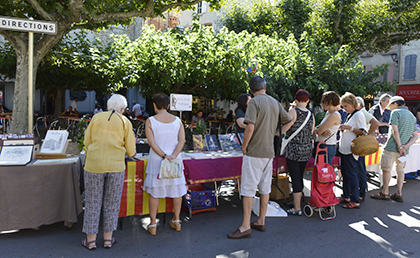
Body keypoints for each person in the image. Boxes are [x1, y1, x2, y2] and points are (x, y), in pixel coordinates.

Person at [227, 76, 292, 239]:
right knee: (265, 188)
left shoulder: (254, 102)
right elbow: (289, 120)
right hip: (269, 152)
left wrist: (244, 146)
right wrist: (276, 133)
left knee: (248, 189)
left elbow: (250, 127)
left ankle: (245, 226)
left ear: (250, 90)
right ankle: (261, 220)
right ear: (265, 86)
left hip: (254, 151)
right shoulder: (275, 102)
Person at [82, 94, 136, 250]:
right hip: (116, 166)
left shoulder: (96, 118)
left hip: (93, 165)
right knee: (112, 203)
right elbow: (131, 151)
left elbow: (86, 142)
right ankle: (107, 239)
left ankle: (90, 241)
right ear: (122, 109)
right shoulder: (125, 121)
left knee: (92, 202)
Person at [144, 93, 187, 235]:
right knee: (177, 191)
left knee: (155, 193)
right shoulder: (178, 121)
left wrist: (164, 156)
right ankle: (177, 221)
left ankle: (152, 224)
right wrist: (173, 155)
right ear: (168, 106)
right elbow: (182, 140)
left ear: (154, 106)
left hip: (158, 160)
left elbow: (151, 142)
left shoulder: (150, 121)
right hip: (175, 160)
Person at [371, 96, 418, 203]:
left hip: (392, 147)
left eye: (390, 105)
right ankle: (399, 193)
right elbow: (415, 135)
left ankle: (385, 192)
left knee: (386, 169)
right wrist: (405, 147)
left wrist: (399, 145)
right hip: (405, 151)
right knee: (400, 171)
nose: (389, 108)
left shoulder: (395, 113)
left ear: (395, 104)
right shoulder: (412, 115)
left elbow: (395, 131)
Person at [285, 90, 315, 216]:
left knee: (295, 177)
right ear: (307, 101)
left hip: (293, 150)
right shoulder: (311, 115)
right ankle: (296, 201)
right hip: (306, 150)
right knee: (300, 176)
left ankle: (297, 208)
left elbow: (284, 128)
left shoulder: (293, 112)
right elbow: (312, 132)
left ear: (295, 100)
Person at [337, 92, 367, 209]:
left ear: (352, 104)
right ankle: (346, 195)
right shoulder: (351, 114)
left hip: (351, 150)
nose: (344, 108)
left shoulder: (358, 115)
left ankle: (355, 199)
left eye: (345, 106)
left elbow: (363, 132)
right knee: (345, 173)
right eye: (343, 106)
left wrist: (349, 128)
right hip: (345, 149)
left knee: (351, 174)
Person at [355, 96, 380, 202]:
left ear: (359, 104)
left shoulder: (363, 113)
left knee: (360, 169)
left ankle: (361, 193)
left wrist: (367, 134)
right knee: (359, 169)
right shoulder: (360, 112)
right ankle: (360, 191)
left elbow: (376, 123)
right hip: (359, 144)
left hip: (361, 144)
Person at [314, 91, 342, 165]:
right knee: (321, 171)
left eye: (323, 102)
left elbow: (319, 130)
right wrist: (320, 130)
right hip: (324, 144)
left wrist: (319, 130)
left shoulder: (334, 115)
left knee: (324, 172)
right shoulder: (329, 113)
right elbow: (318, 128)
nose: (322, 104)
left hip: (327, 145)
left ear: (330, 102)